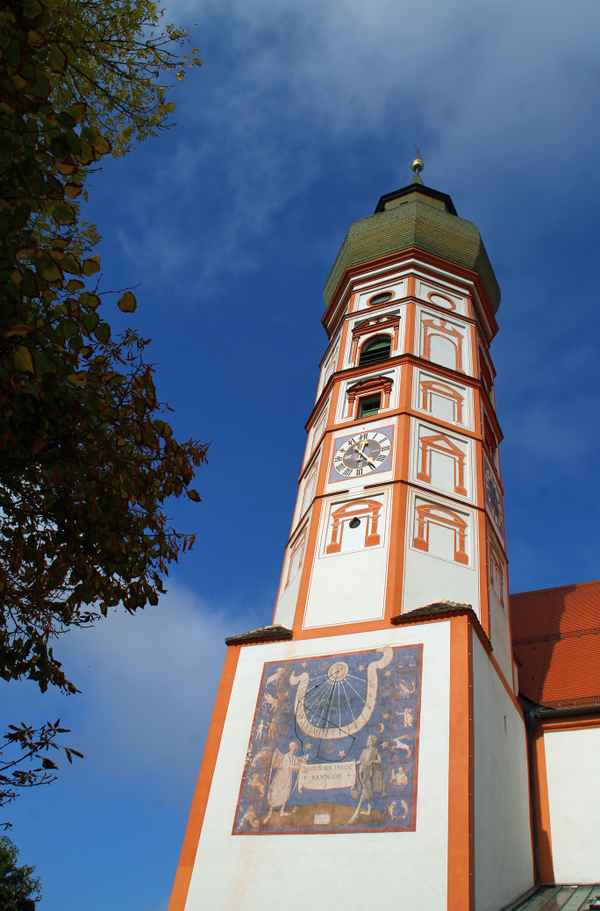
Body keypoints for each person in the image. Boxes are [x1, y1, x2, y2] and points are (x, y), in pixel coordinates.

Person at [263, 741, 305, 823]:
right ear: (290, 747)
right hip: (281, 777)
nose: (293, 748)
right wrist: (298, 766)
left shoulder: (294, 757)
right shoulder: (286, 756)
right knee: (276, 793)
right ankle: (269, 814)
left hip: (288, 778)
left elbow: (296, 765)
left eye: (294, 746)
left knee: (285, 793)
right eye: (292, 746)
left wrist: (301, 764)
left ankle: (282, 811)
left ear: (295, 748)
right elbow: (288, 767)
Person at [349, 735, 384, 822]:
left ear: (372, 741)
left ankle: (356, 813)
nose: (368, 741)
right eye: (368, 740)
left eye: (369, 740)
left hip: (369, 772)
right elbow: (360, 761)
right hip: (361, 771)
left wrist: (372, 761)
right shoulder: (364, 751)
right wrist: (353, 763)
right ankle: (368, 810)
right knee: (366, 790)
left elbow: (380, 761)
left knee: (365, 790)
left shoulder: (375, 751)